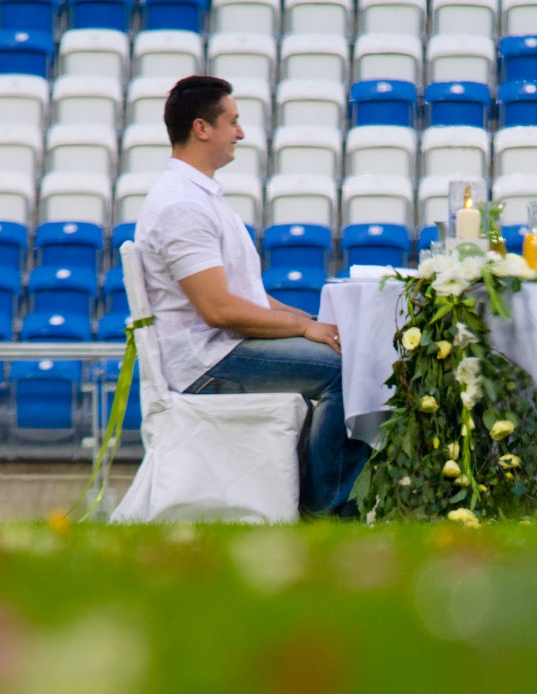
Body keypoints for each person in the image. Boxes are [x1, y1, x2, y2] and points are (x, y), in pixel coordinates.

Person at [134, 75, 370, 517]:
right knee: (352, 370)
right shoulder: (182, 205)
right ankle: (326, 510)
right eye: (233, 122)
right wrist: (305, 327)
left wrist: (314, 327)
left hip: (219, 350)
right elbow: (220, 309)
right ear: (202, 128)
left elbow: (250, 296)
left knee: (349, 354)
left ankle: (320, 498)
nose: (240, 133)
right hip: (208, 362)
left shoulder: (197, 197)